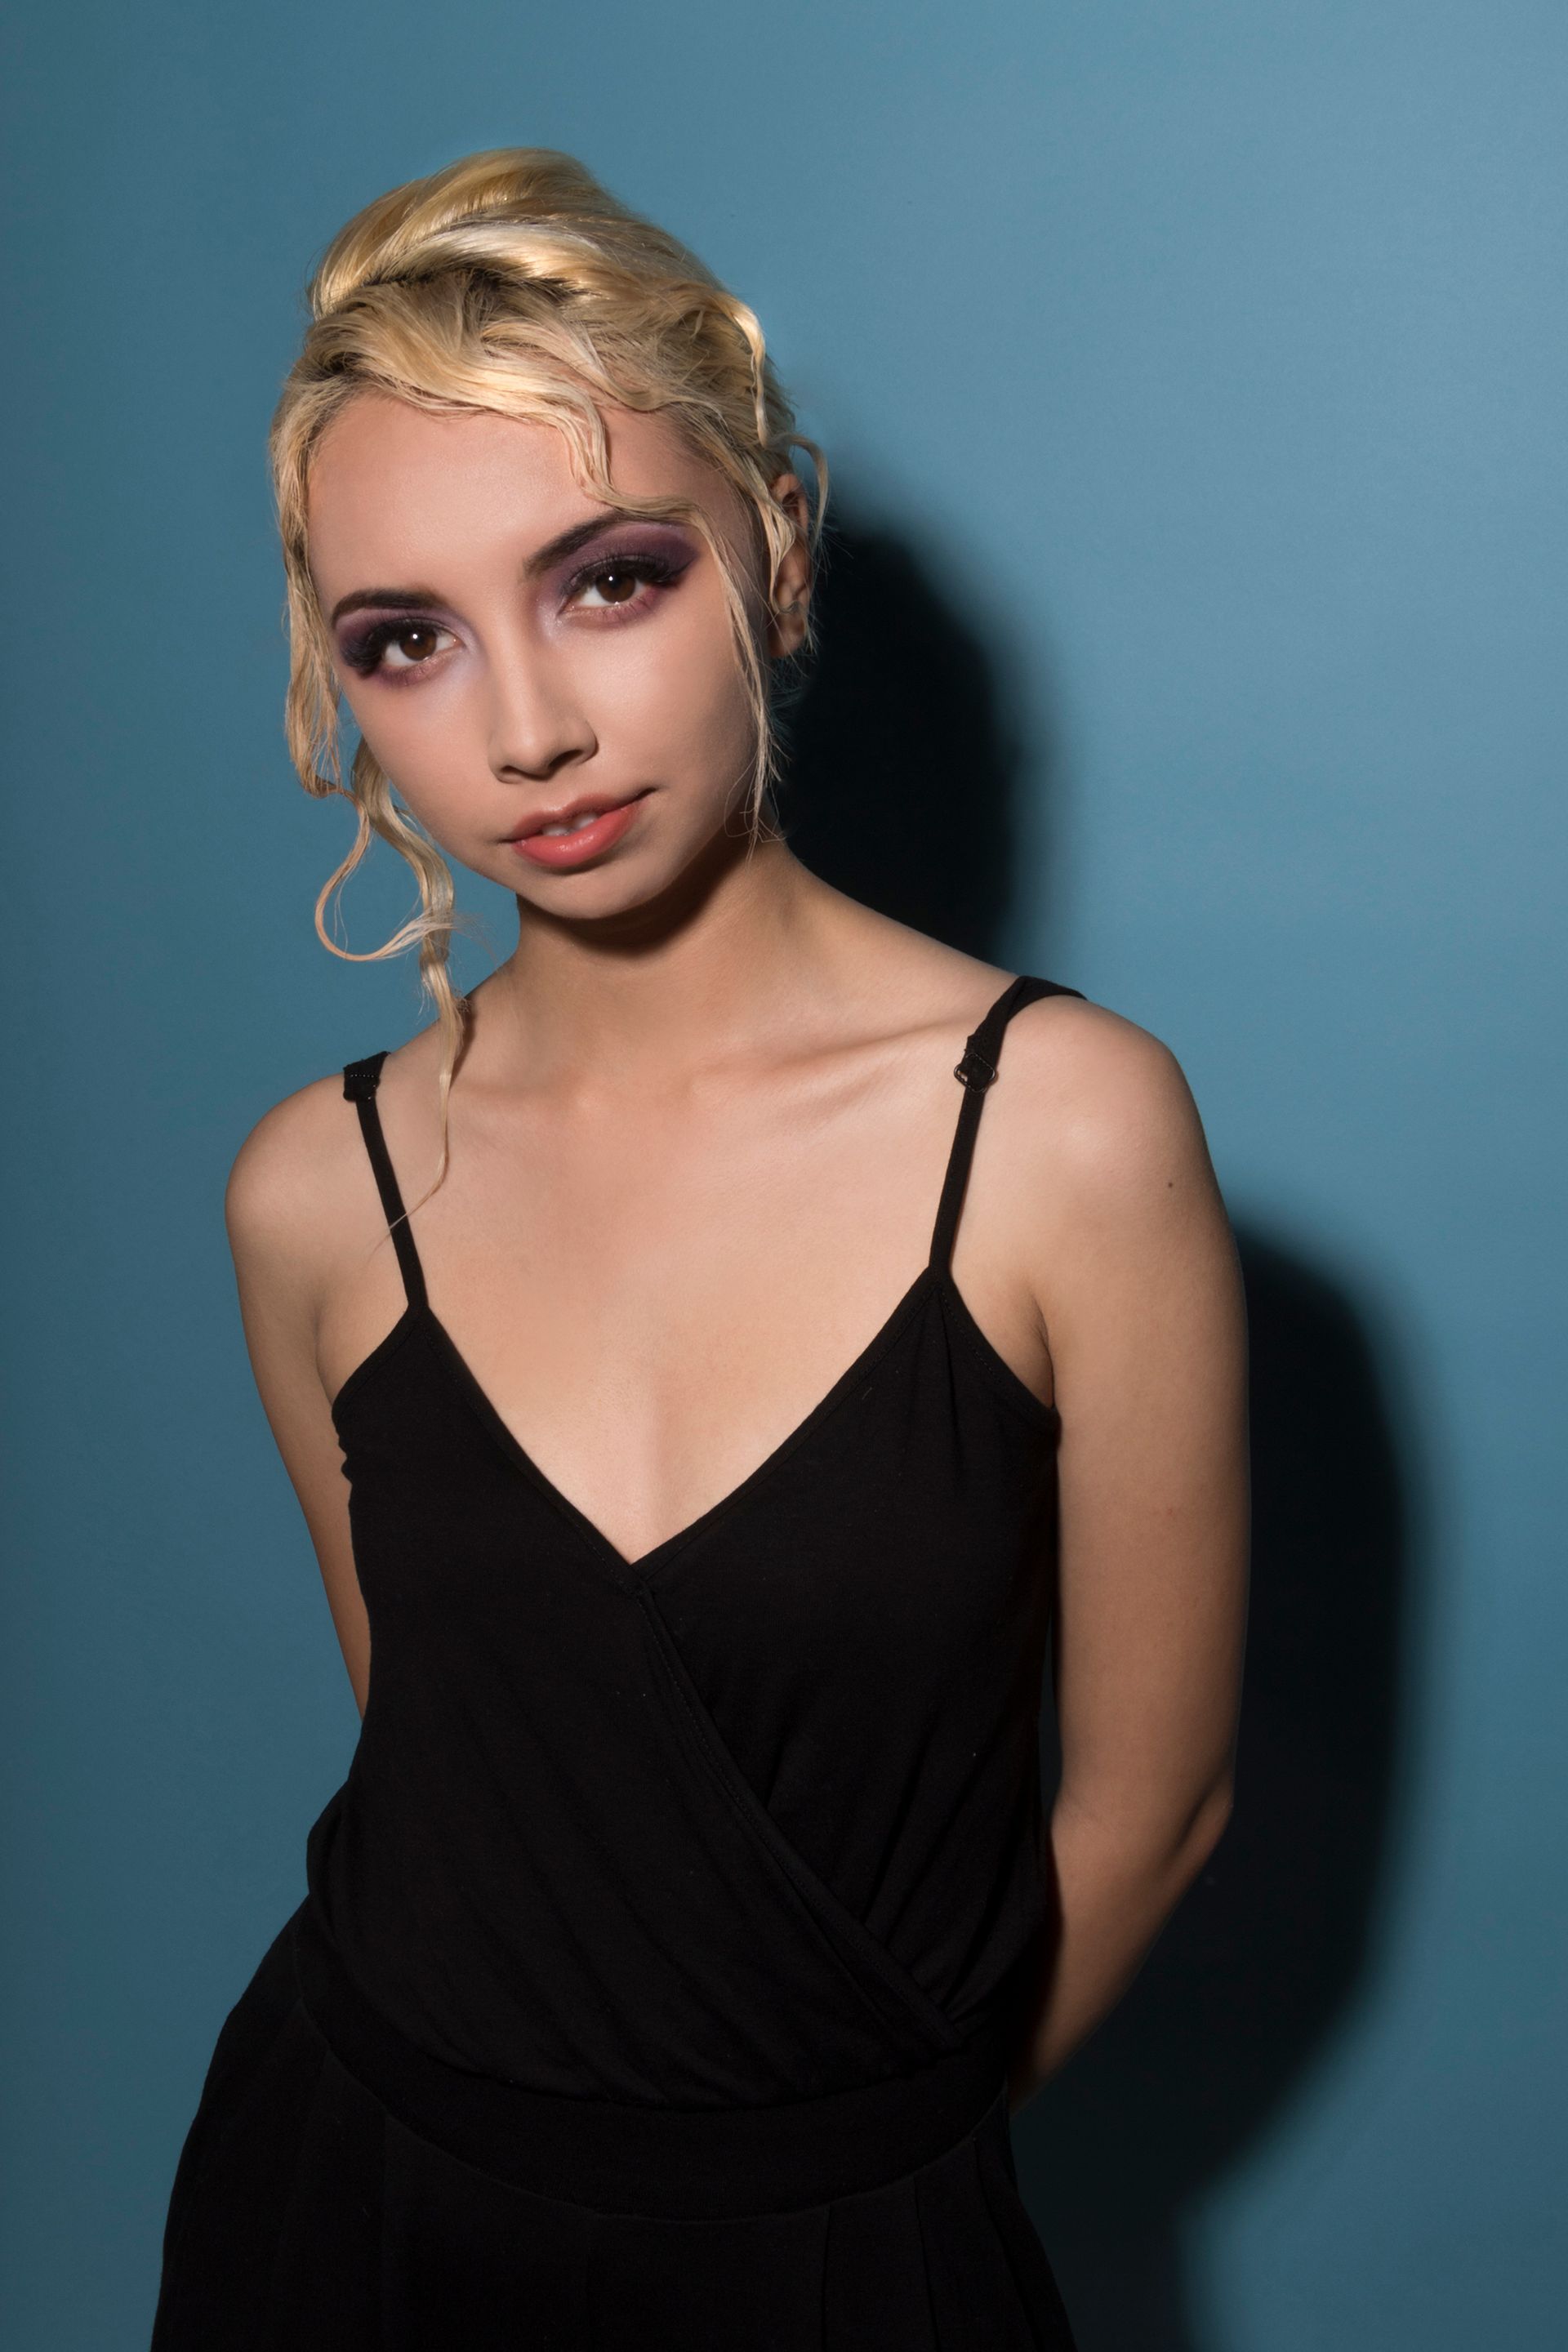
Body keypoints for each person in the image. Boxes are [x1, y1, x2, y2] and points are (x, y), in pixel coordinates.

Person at [149, 147, 1250, 2351]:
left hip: (847, 2245)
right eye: (407, 640)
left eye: (608, 580)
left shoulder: (1061, 1133)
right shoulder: (317, 1194)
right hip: (346, 2208)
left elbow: (1156, 1810)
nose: (526, 731)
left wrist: (845, 2175)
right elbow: (462, 1770)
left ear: (777, 549)